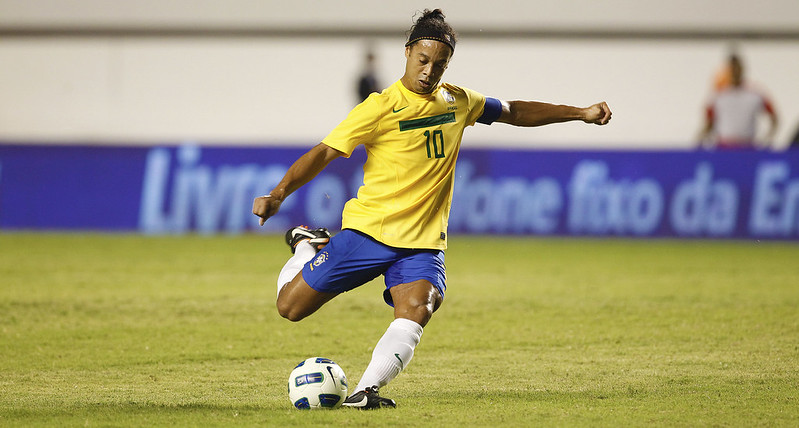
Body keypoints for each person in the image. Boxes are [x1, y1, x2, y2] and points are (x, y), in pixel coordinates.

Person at [252, 9, 612, 409]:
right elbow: (324, 152)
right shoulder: (380, 107)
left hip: (423, 242)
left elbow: (515, 111)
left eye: (439, 65)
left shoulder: (459, 101)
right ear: (407, 52)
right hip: (370, 232)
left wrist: (580, 113)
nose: (429, 71)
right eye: (423, 60)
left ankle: (366, 391)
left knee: (418, 308)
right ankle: (306, 244)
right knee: (290, 308)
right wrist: (279, 193)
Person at [699, 53, 779, 149]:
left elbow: (774, 118)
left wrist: (767, 139)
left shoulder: (756, 93)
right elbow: (709, 123)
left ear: (742, 69)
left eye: (737, 68)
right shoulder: (718, 95)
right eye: (732, 69)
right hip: (723, 146)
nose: (735, 72)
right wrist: (700, 139)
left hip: (748, 146)